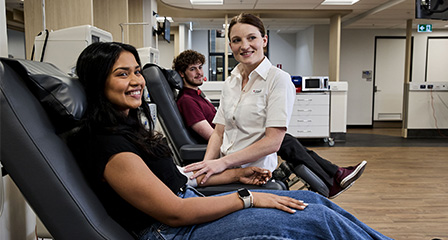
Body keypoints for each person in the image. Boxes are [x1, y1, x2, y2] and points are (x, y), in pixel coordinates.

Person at [68, 41, 392, 240]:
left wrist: (235, 175)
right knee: (316, 219)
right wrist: (248, 196)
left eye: (136, 71)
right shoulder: (107, 145)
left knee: (319, 203)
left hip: (189, 204)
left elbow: (175, 178)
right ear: (98, 82)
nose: (136, 81)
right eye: (122, 74)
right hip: (172, 232)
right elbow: (175, 213)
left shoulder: (129, 128)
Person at [180, 14, 366, 199]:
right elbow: (219, 133)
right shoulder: (231, 82)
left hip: (253, 174)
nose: (244, 46)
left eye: (251, 38)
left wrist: (221, 164)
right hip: (225, 170)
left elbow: (273, 142)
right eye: (237, 40)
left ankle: (333, 177)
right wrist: (207, 167)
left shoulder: (278, 79)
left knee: (287, 141)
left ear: (264, 40)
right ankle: (335, 175)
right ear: (230, 46)